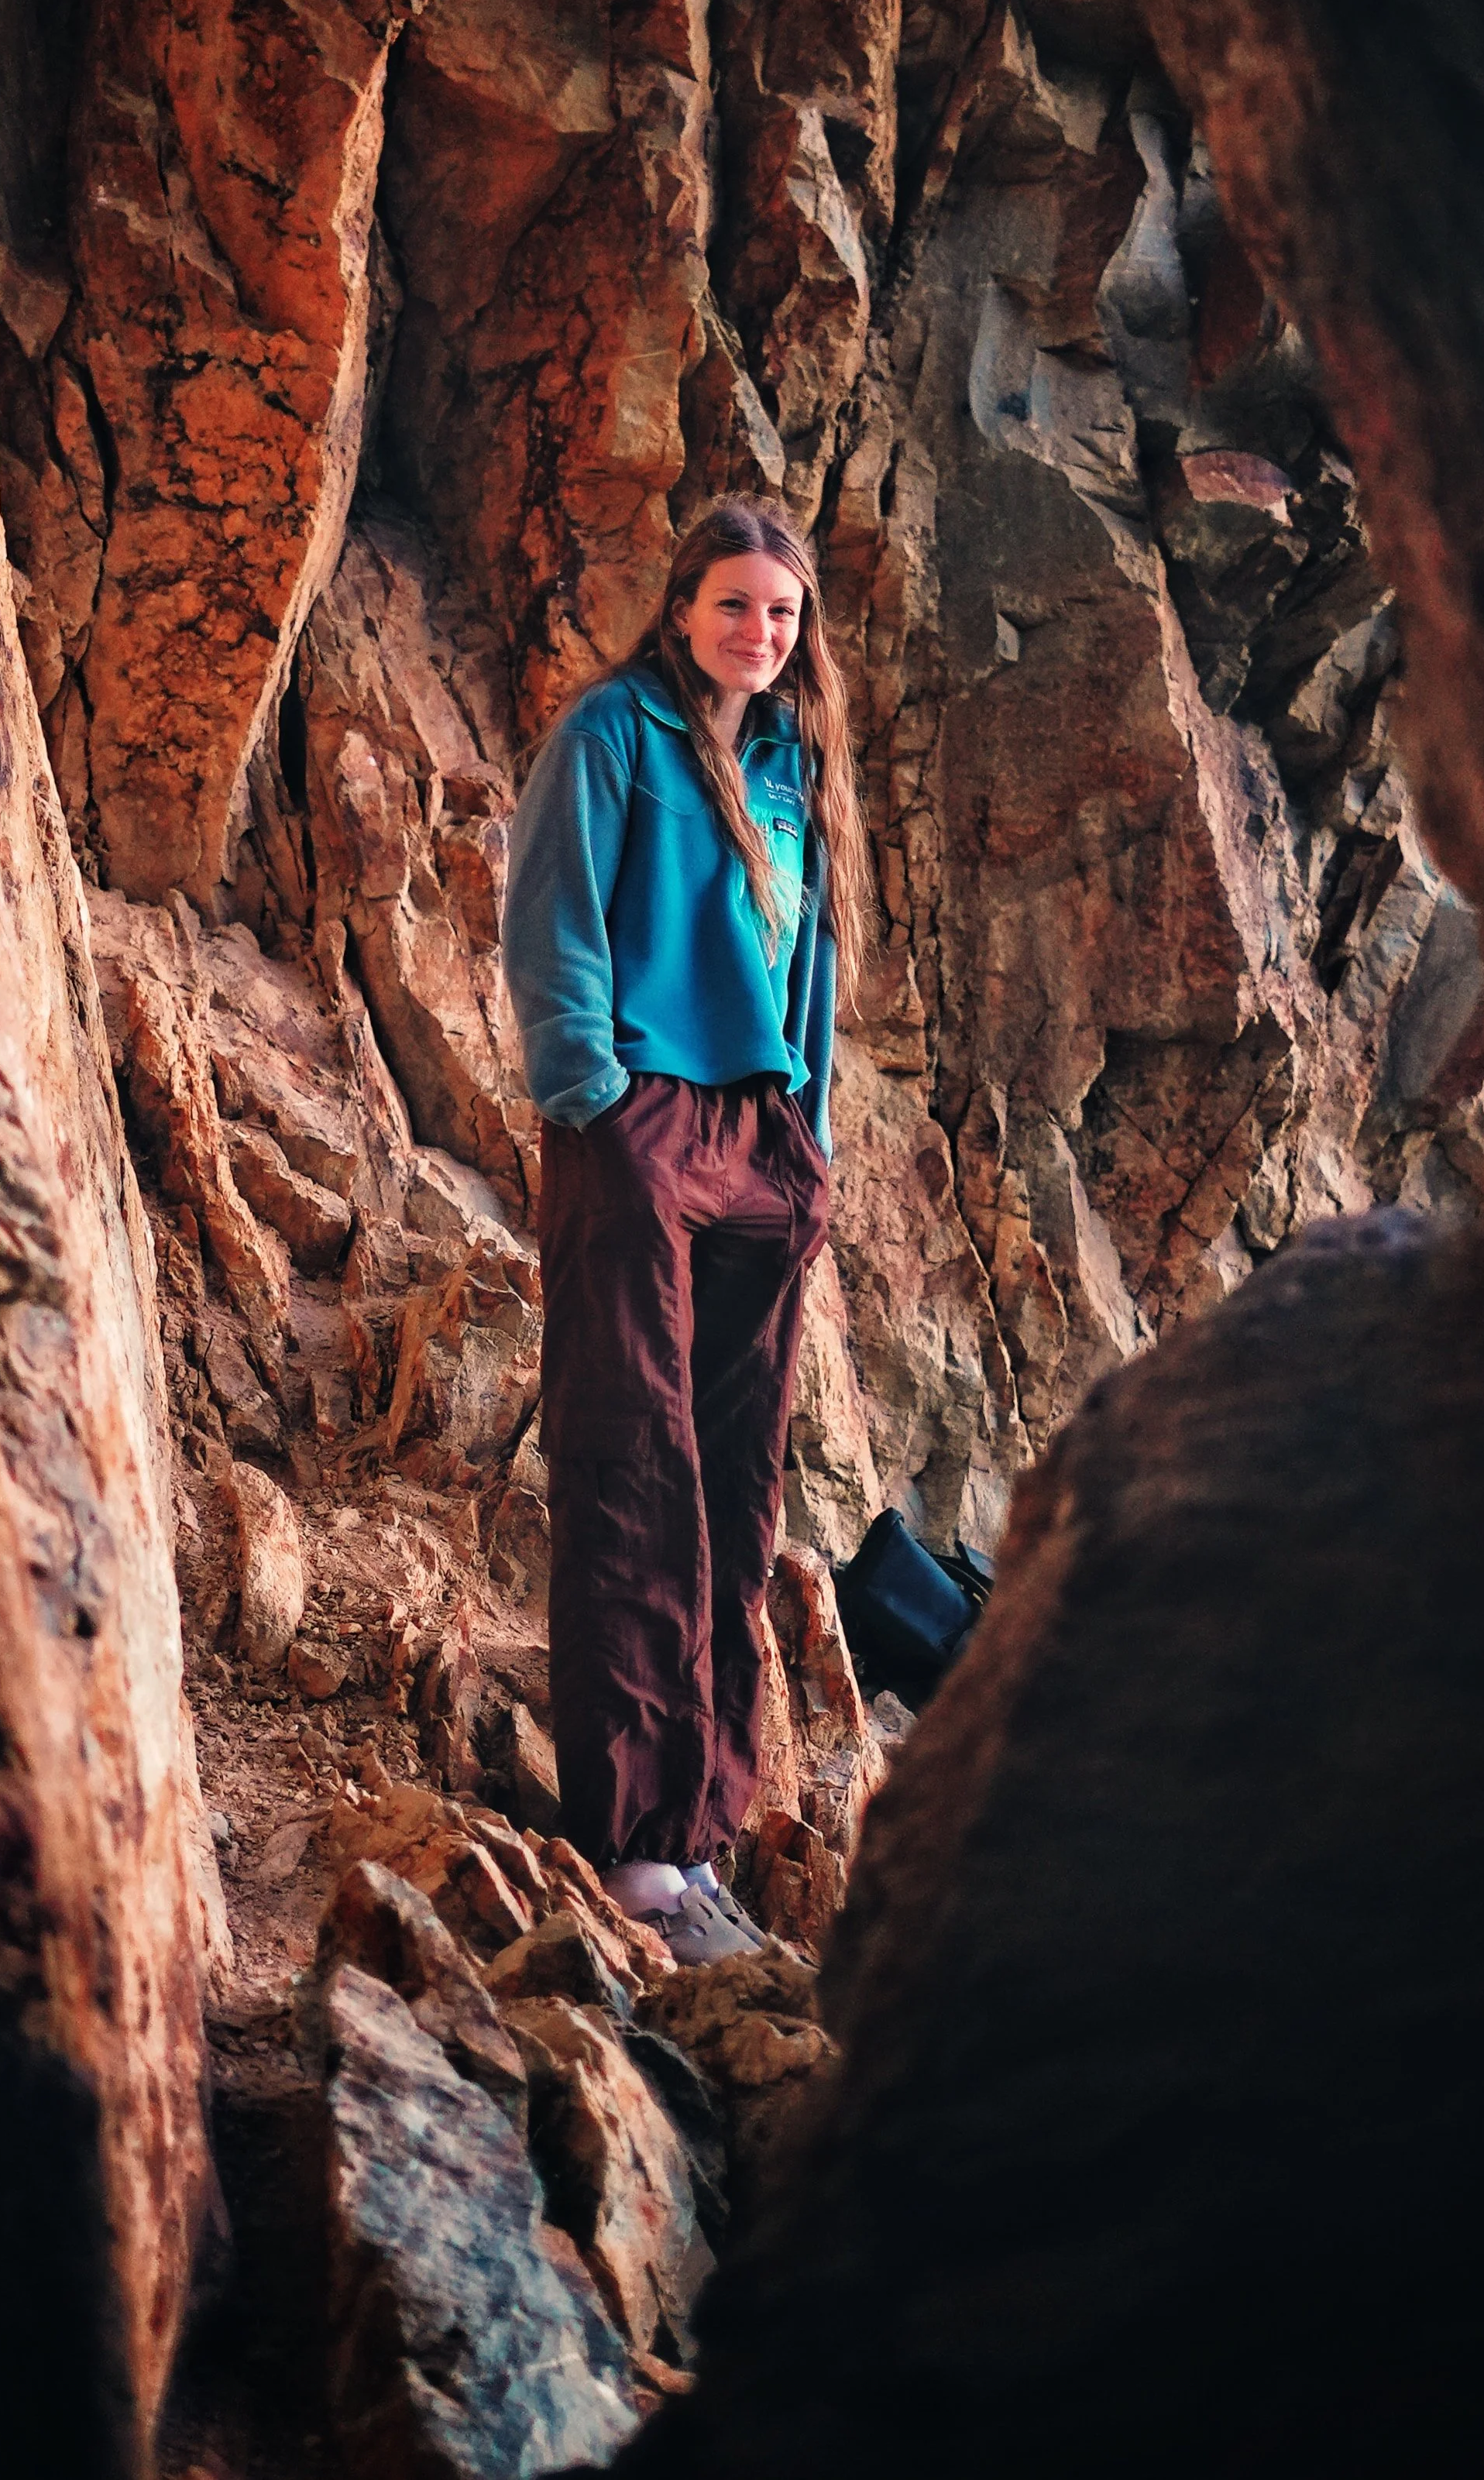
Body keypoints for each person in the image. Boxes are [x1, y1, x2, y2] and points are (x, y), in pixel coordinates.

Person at [502, 498, 874, 1963]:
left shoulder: (789, 761)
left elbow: (814, 970)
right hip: (641, 1124)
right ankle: (633, 1845)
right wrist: (595, 1096)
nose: (758, 633)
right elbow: (552, 917)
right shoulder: (612, 736)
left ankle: (698, 1831)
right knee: (632, 1463)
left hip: (762, 1148)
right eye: (734, 605)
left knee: (733, 1482)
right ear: (681, 607)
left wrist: (812, 1141)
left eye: (780, 614)